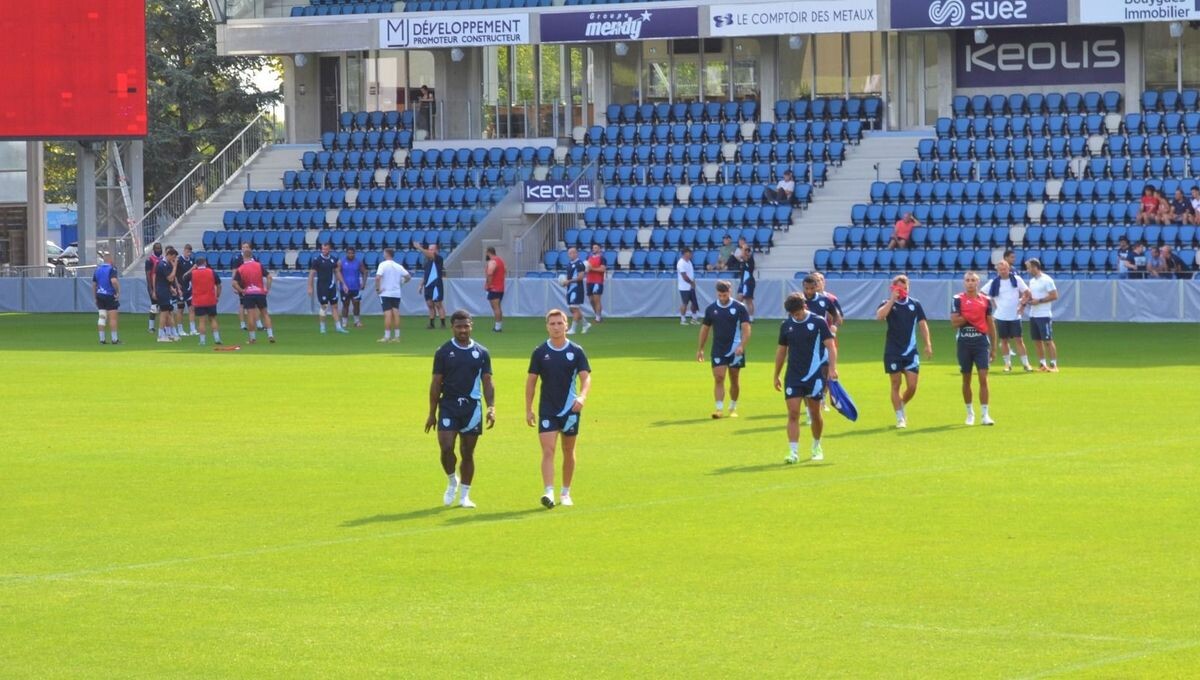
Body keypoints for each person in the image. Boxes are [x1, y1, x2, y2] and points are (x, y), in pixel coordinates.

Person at [426, 310, 495, 510]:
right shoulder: (443, 352)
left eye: (466, 326)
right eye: (459, 326)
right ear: (452, 327)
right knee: (446, 448)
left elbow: (488, 382)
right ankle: (451, 480)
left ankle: (465, 495)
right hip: (448, 406)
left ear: (471, 325)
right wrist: (431, 413)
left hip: (472, 409)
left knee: (468, 452)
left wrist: (491, 407)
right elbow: (436, 383)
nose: (463, 330)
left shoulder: (482, 352)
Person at [525, 309, 592, 509]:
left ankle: (565, 492)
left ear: (566, 325)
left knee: (568, 449)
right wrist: (528, 409)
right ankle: (548, 492)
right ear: (547, 327)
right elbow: (531, 382)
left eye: (559, 323)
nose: (556, 327)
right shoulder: (540, 352)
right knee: (548, 450)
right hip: (547, 409)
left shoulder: (576, 351)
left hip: (571, 409)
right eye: (552, 324)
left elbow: (585, 377)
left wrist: (582, 396)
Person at [774, 292, 838, 464]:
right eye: (793, 314)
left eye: (798, 312)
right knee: (793, 413)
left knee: (815, 413)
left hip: (815, 376)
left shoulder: (818, 322)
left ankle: (817, 445)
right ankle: (793, 452)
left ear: (805, 306)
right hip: (793, 376)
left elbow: (831, 347)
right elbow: (781, 351)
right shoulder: (786, 325)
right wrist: (776, 374)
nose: (796, 316)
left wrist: (832, 368)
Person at [876, 274, 933, 429]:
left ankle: (900, 404)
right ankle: (900, 417)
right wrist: (892, 299)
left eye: (905, 288)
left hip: (910, 351)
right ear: (893, 288)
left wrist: (927, 343)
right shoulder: (886, 303)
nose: (903, 291)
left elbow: (922, 325)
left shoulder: (915, 304)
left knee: (912, 386)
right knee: (895, 384)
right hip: (893, 351)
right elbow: (880, 317)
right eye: (899, 288)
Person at [697, 280, 752, 419]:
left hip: (736, 349)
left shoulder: (739, 308)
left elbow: (746, 329)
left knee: (734, 379)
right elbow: (705, 329)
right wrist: (701, 348)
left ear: (730, 292)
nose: (722, 298)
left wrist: (742, 346)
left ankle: (733, 406)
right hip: (718, 349)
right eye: (720, 295)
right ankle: (719, 409)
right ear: (717, 293)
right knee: (719, 378)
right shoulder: (711, 309)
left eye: (725, 295)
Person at [951, 272, 998, 426]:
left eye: (973, 280)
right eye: (967, 280)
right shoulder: (957, 299)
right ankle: (969, 413)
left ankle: (985, 414)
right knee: (966, 378)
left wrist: (994, 347)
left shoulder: (986, 301)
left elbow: (990, 324)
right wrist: (971, 315)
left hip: (981, 343)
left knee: (983, 377)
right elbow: (954, 322)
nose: (970, 283)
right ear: (964, 283)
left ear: (978, 282)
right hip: (964, 342)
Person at [985, 259, 1032, 372]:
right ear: (997, 270)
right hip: (1001, 316)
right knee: (1004, 341)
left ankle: (1026, 364)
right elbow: (983, 294)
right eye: (1000, 269)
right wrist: (993, 303)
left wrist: (1022, 305)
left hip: (1015, 316)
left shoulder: (1016, 279)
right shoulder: (994, 282)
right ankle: (1007, 364)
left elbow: (1028, 293)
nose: (1003, 271)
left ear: (1008, 268)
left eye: (1005, 269)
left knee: (1019, 340)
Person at [232, 245, 276, 344]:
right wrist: (267, 289)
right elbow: (269, 277)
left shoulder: (241, 268)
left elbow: (234, 283)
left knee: (251, 316)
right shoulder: (258, 265)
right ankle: (270, 335)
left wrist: (242, 290)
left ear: (243, 257)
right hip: (260, 292)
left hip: (249, 293)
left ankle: (252, 338)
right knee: (265, 314)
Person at [1022, 258, 1057, 372]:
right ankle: (1042, 364)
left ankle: (1054, 365)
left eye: (1028, 267)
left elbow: (1054, 295)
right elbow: (1033, 296)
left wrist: (1039, 301)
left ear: (1035, 267)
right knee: (1037, 341)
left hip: (1044, 315)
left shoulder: (1047, 280)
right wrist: (1028, 300)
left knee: (1048, 340)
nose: (1027, 270)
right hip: (1033, 315)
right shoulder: (1032, 281)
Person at [308, 242, 348, 334]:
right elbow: (312, 274)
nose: (324, 251)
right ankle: (322, 327)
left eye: (326, 249)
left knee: (335, 306)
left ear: (329, 249)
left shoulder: (333, 260)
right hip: (322, 287)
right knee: (324, 306)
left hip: (331, 286)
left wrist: (344, 284)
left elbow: (337, 272)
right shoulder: (317, 260)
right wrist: (310, 287)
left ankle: (338, 327)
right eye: (323, 249)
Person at [375, 247, 412, 343]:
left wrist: (378, 289)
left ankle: (387, 336)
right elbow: (408, 276)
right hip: (396, 293)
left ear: (386, 254)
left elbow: (378, 277)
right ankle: (397, 336)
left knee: (387, 314)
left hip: (386, 293)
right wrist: (402, 282)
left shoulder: (382, 265)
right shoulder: (398, 266)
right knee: (396, 313)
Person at [187, 255, 222, 346]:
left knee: (201, 321)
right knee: (213, 319)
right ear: (205, 263)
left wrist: (192, 269)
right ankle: (217, 338)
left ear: (196, 264)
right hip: (210, 299)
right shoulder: (211, 272)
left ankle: (202, 341)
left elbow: (184, 277)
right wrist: (217, 295)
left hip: (198, 300)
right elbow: (219, 285)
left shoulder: (193, 273)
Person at [231, 242, 263, 331]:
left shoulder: (253, 257)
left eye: (247, 247)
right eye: (243, 247)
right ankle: (242, 324)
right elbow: (234, 271)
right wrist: (234, 284)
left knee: (256, 304)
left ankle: (259, 323)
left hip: (253, 283)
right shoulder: (237, 258)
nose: (245, 249)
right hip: (242, 283)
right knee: (242, 304)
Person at [415, 241, 447, 329]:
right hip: (428, 285)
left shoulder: (438, 258)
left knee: (438, 304)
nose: (430, 251)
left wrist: (420, 248)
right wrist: (421, 285)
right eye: (429, 249)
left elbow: (430, 255)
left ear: (437, 250)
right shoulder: (427, 261)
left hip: (436, 284)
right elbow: (426, 275)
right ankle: (432, 323)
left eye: (432, 249)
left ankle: (443, 323)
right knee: (430, 304)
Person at [153, 246, 180, 343]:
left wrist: (171, 288)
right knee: (164, 313)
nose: (174, 260)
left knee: (169, 313)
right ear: (169, 255)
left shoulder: (166, 264)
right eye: (173, 258)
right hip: (162, 292)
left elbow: (165, 280)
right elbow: (170, 278)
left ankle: (170, 333)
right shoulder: (162, 265)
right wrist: (175, 267)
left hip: (166, 290)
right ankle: (161, 335)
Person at [93, 254, 121, 345]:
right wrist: (117, 291)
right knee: (113, 318)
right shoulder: (112, 269)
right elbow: (114, 281)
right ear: (110, 260)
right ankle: (114, 339)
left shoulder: (97, 270)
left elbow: (94, 285)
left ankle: (102, 339)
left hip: (100, 295)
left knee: (102, 317)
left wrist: (95, 297)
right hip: (109, 295)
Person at [562, 247, 590, 335]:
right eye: (569, 253)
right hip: (570, 289)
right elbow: (568, 276)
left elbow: (581, 277)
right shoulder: (569, 264)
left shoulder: (580, 264)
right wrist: (565, 282)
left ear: (576, 254)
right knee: (573, 308)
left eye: (573, 253)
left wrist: (569, 281)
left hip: (577, 288)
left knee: (574, 308)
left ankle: (573, 329)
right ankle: (585, 324)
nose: (571, 255)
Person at [339, 246, 369, 328]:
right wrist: (341, 283)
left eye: (352, 253)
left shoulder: (358, 262)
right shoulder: (341, 262)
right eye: (349, 253)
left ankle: (357, 321)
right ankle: (344, 322)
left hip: (356, 287)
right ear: (346, 253)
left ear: (354, 253)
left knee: (356, 304)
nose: (351, 255)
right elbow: (337, 273)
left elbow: (365, 272)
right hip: (344, 288)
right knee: (345, 305)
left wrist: (364, 283)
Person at [174, 244, 197, 337]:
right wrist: (176, 285)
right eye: (187, 251)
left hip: (189, 288)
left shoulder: (192, 261)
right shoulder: (179, 260)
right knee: (180, 309)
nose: (188, 253)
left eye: (190, 252)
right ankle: (180, 329)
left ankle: (192, 329)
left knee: (192, 308)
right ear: (184, 250)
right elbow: (174, 273)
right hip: (181, 288)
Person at [484, 246, 506, 332]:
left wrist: (488, 285)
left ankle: (498, 327)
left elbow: (490, 273)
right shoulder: (500, 261)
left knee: (495, 308)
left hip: (494, 288)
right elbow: (505, 271)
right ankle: (498, 326)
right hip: (500, 287)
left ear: (488, 252)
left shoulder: (492, 262)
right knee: (498, 307)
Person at [676, 247, 700, 325]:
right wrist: (691, 283)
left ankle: (694, 319)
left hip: (690, 286)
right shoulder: (681, 263)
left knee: (694, 303)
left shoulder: (689, 262)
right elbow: (684, 276)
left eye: (690, 254)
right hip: (684, 287)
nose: (690, 255)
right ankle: (683, 319)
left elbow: (691, 274)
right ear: (684, 254)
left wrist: (693, 283)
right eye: (689, 254)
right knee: (685, 303)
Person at [144, 242, 163, 334]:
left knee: (163, 306)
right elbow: (148, 274)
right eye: (157, 248)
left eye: (160, 248)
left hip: (161, 285)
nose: (159, 250)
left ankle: (162, 326)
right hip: (153, 285)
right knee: (154, 306)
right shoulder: (149, 260)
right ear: (154, 249)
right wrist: (150, 288)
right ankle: (151, 327)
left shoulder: (162, 259)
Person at [585, 243, 606, 324]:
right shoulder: (588, 258)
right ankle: (597, 315)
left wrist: (591, 269)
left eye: (596, 248)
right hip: (589, 281)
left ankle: (598, 318)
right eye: (593, 248)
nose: (594, 249)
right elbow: (586, 268)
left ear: (599, 249)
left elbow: (602, 269)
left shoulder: (602, 258)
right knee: (591, 300)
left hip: (597, 281)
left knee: (597, 299)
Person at [735, 241, 756, 321]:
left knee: (748, 300)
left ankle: (751, 318)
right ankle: (739, 315)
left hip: (748, 282)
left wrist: (743, 247)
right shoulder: (744, 260)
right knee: (739, 299)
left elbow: (743, 255)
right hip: (743, 282)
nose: (744, 251)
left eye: (746, 250)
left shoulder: (749, 259)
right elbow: (740, 256)